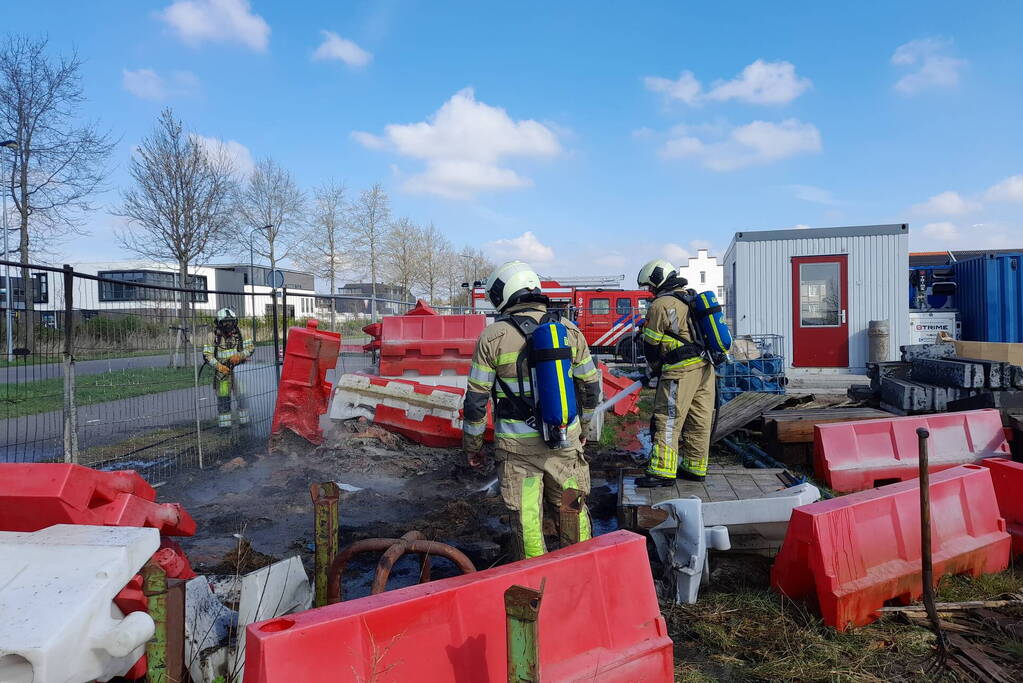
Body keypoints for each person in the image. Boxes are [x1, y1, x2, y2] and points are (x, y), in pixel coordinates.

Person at [462, 261, 602, 559]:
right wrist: (583, 430)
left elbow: (475, 401)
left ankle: (535, 580)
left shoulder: (492, 337)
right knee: (572, 507)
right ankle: (582, 570)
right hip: (565, 439)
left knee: (527, 518)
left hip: (517, 450)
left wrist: (472, 446)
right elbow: (591, 389)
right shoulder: (569, 330)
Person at [634, 259, 715, 487]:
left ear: (658, 280)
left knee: (668, 418)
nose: (650, 291)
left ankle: (662, 471)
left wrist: (655, 368)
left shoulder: (662, 304)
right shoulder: (689, 297)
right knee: (699, 418)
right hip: (705, 368)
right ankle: (695, 467)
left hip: (680, 371)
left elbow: (651, 345)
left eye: (650, 286)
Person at [203, 307, 254, 429]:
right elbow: (207, 355)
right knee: (224, 400)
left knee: (242, 398)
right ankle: (225, 427)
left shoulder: (243, 333)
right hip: (222, 374)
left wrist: (240, 356)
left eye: (231, 322)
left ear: (235, 322)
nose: (228, 325)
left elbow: (251, 348)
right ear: (219, 323)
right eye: (225, 322)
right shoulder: (212, 336)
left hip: (240, 371)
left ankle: (245, 424)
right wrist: (219, 366)